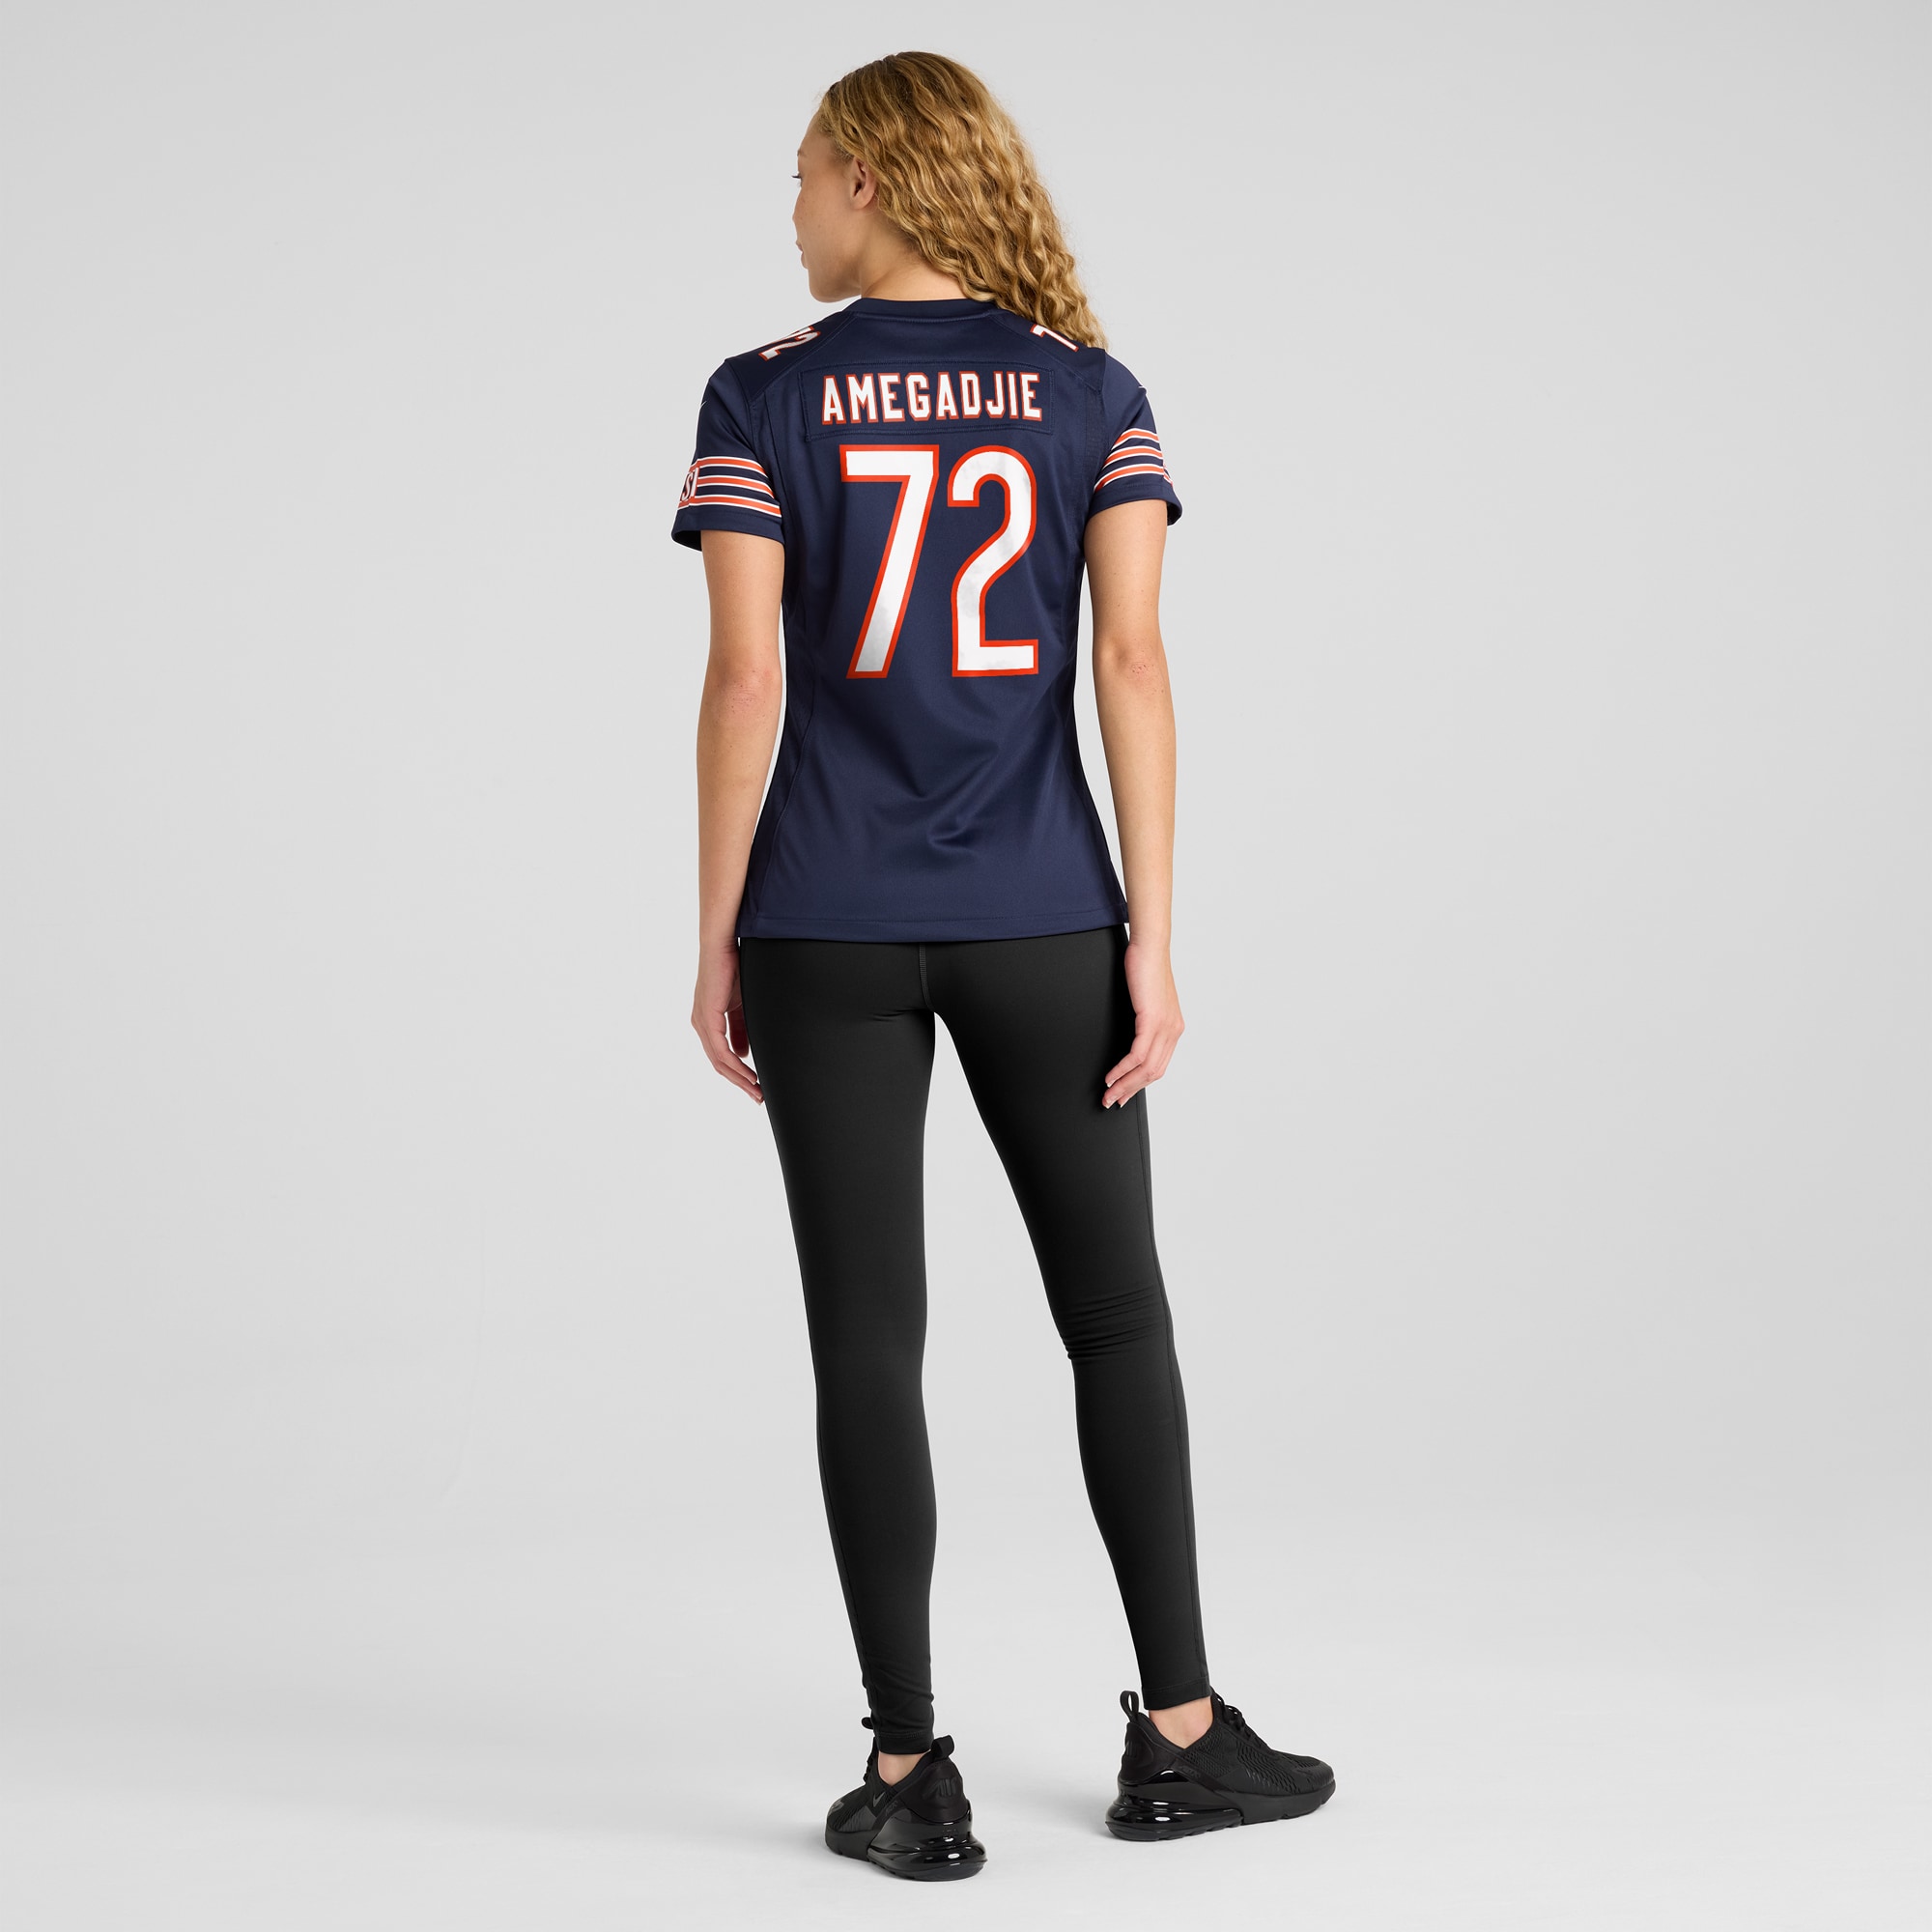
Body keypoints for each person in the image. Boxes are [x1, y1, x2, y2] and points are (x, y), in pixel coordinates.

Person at [677, 51, 1334, 1881]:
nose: (791, 209)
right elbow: (1133, 666)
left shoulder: (760, 393)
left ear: (875, 179)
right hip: (1048, 913)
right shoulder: (1090, 394)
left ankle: (907, 1775)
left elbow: (747, 679)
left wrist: (717, 929)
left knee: (865, 1338)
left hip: (823, 916)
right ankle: (1182, 1741)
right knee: (1114, 1313)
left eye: (804, 172)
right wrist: (1156, 938)